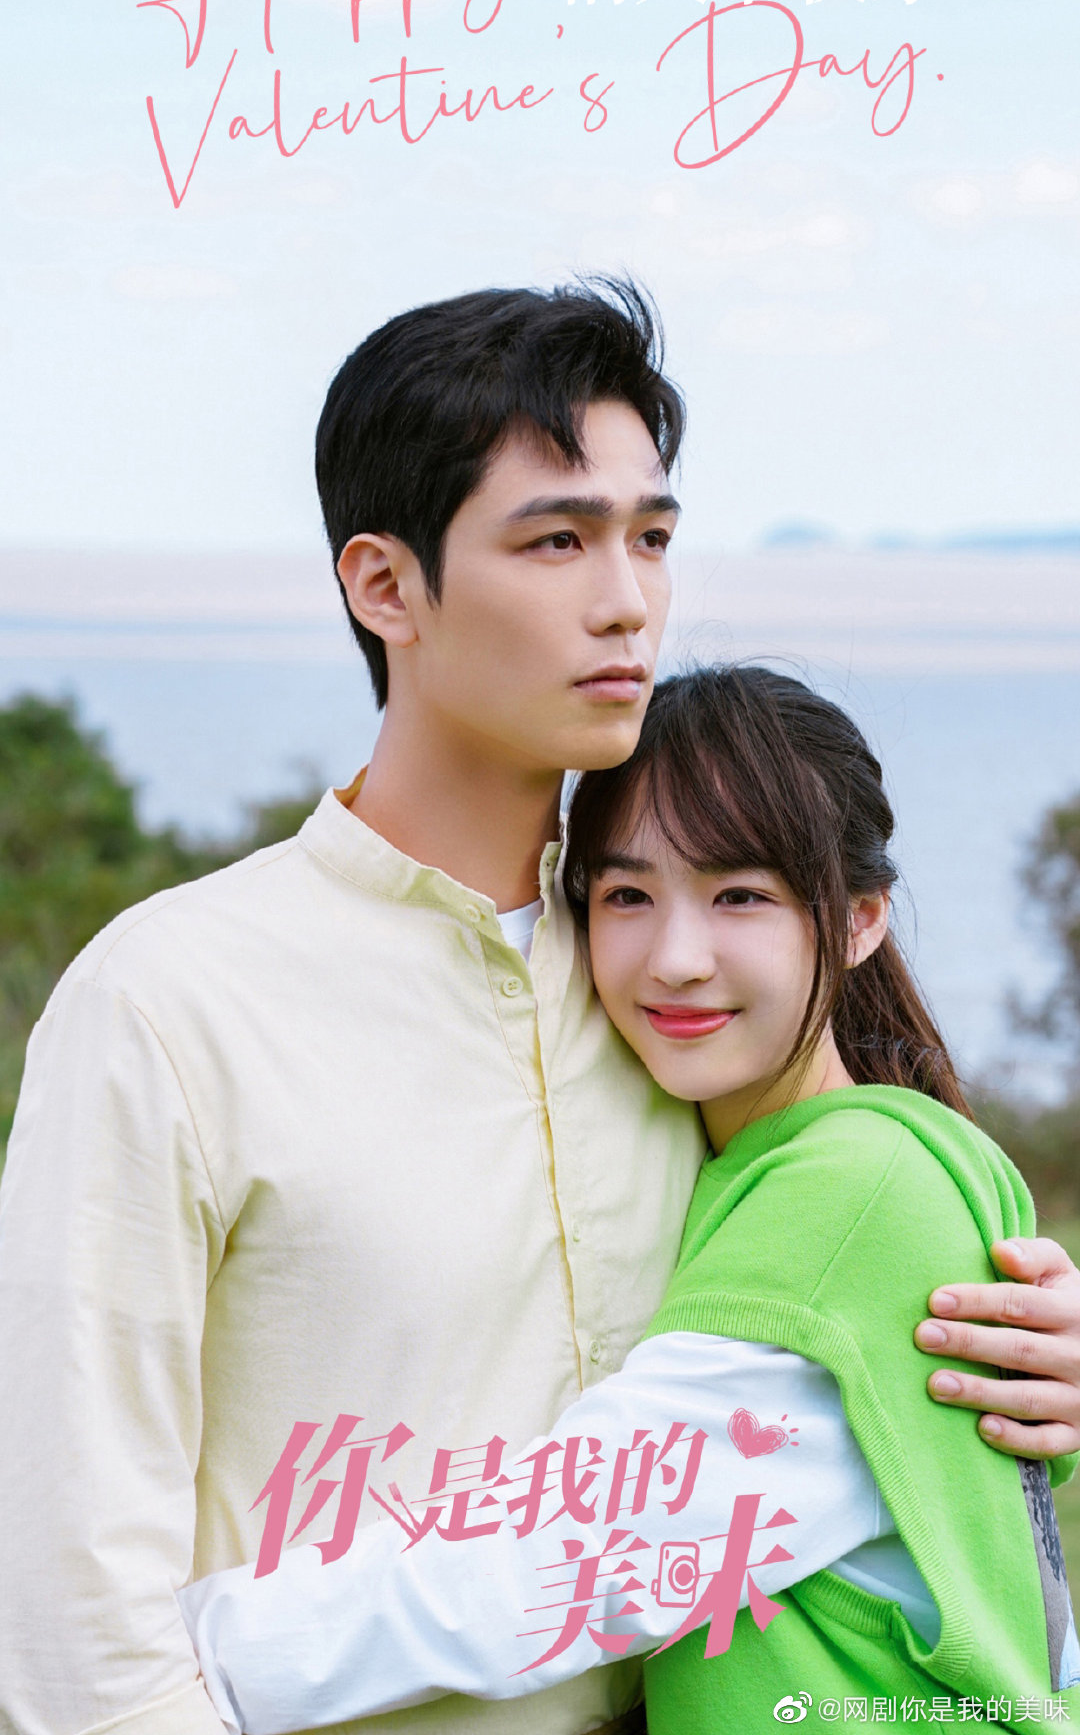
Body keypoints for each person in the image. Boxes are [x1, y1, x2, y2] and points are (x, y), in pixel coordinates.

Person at [1, 283, 1078, 1735]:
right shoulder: (170, 1004)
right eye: (557, 540)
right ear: (387, 588)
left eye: (652, 538)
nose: (627, 599)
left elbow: (833, 1317)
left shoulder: (667, 994)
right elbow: (75, 1629)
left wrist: (1027, 1363)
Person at [180, 664, 1080, 1730]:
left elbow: (573, 1552)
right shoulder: (819, 1160)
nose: (676, 959)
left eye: (741, 896)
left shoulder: (855, 1190)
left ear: (858, 921)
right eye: (627, 897)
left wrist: (170, 1657)